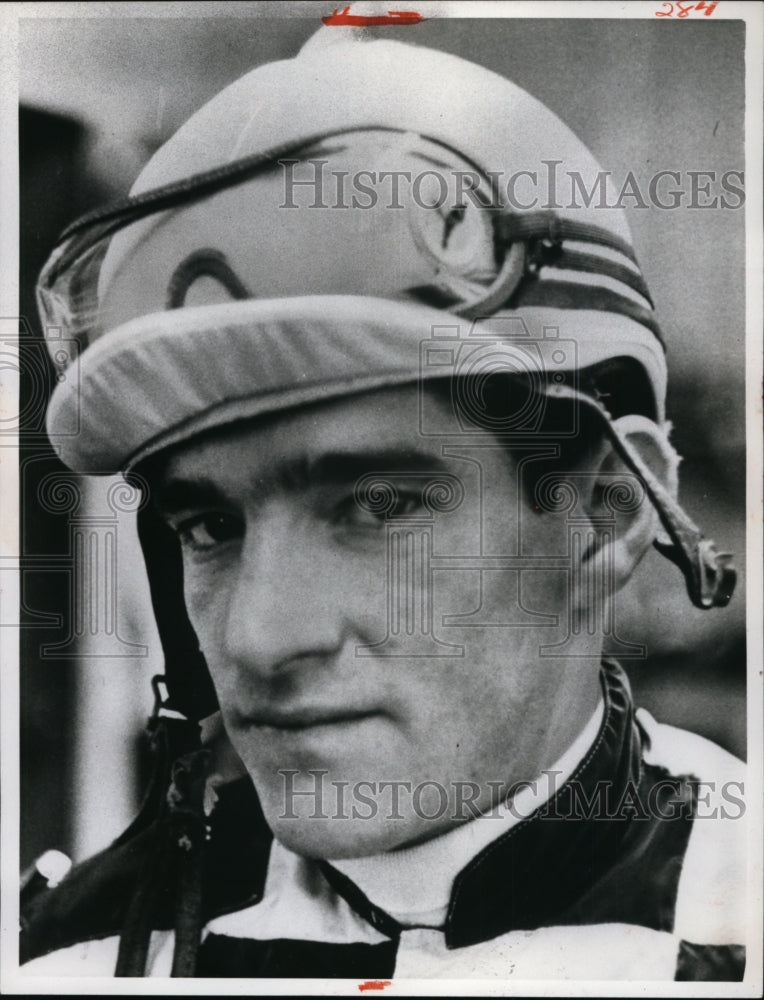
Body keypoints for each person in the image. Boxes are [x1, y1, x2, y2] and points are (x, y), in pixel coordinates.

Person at [20, 14, 746, 982]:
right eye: (210, 525)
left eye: (378, 506)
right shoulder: (66, 957)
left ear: (606, 511)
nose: (255, 640)